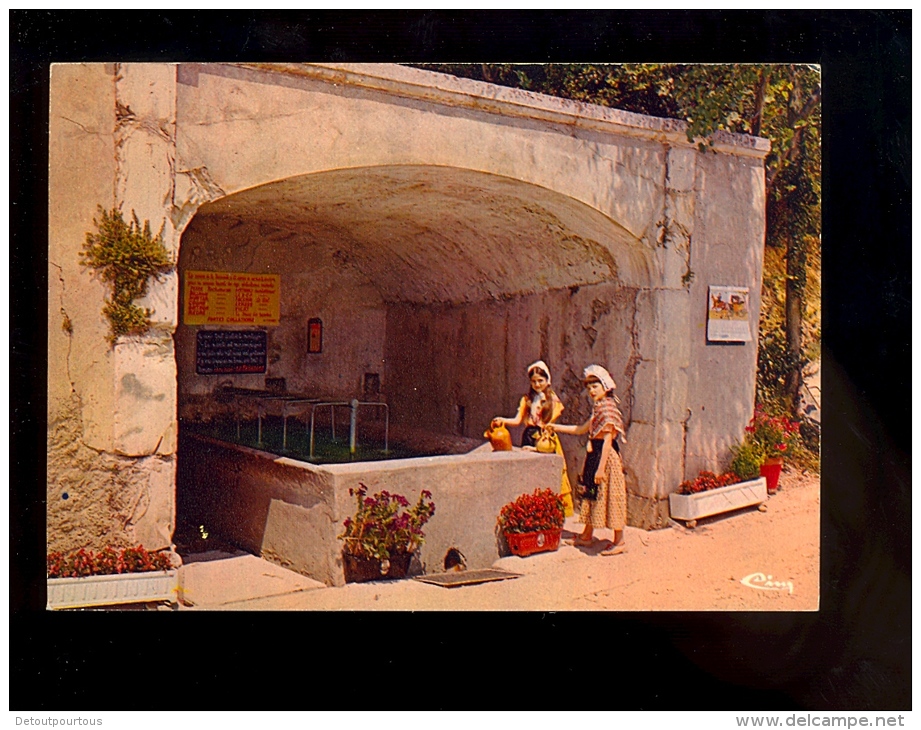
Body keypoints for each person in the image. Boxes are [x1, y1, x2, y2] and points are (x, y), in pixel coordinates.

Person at [549, 364, 627, 555]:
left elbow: (608, 440)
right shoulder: (598, 407)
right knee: (591, 494)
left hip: (606, 459)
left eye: (595, 386)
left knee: (612, 496)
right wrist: (555, 427)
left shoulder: (608, 408)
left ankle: (620, 542)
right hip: (595, 456)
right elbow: (582, 429)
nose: (592, 391)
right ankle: (586, 535)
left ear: (605, 386)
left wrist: (601, 469)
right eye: (589, 387)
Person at [493, 360, 574, 516]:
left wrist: (538, 446)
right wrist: (503, 420)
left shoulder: (552, 401)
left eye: (540, 380)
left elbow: (550, 424)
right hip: (529, 435)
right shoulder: (527, 399)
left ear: (547, 380)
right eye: (534, 381)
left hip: (545, 438)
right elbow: (517, 420)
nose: (537, 384)